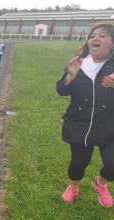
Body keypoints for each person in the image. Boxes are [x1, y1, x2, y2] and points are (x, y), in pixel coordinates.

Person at [57, 23, 114, 208]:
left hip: (109, 124)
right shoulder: (79, 63)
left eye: (102, 36)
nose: (95, 38)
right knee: (78, 163)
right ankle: (73, 187)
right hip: (80, 123)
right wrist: (70, 76)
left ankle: (101, 183)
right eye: (92, 35)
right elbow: (61, 90)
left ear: (112, 43)